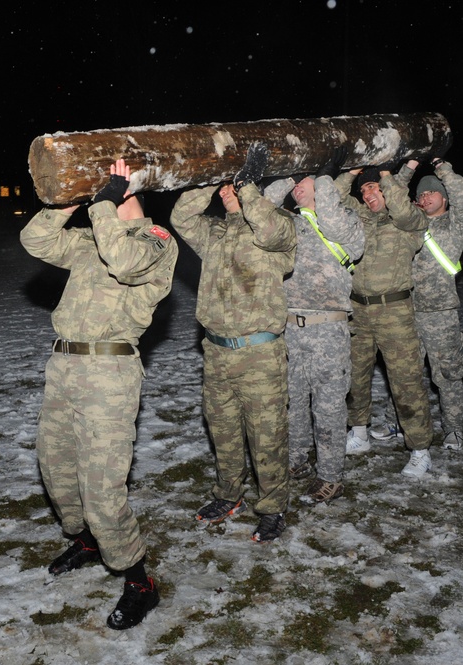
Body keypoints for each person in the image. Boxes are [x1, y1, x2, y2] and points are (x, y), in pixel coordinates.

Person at [20, 159, 178, 630]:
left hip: (109, 372)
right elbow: (35, 240)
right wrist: (67, 205)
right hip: (64, 366)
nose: (103, 200)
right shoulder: (94, 239)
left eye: (114, 192)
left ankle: (138, 580)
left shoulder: (157, 242)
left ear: (132, 197)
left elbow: (125, 263)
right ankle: (88, 540)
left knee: (102, 487)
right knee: (56, 465)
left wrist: (107, 203)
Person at [169, 143, 296, 543]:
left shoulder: (279, 227)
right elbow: (180, 216)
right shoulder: (215, 233)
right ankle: (228, 495)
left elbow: (271, 229)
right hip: (216, 351)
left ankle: (273, 506)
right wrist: (207, 181)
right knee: (222, 430)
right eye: (225, 187)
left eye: (232, 186)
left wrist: (249, 190)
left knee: (267, 436)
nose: (228, 190)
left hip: (260, 353)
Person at [261, 149, 365, 504]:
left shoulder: (347, 222)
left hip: (327, 330)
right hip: (290, 326)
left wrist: (322, 177)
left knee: (329, 405)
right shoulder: (291, 224)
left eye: (304, 182)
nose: (297, 189)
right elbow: (261, 209)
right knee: (293, 400)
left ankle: (331, 476)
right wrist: (290, 177)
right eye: (297, 184)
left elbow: (331, 217)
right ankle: (296, 458)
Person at [333, 162, 435, 477]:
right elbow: (332, 201)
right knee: (355, 376)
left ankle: (420, 449)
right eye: (364, 190)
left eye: (372, 187)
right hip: (358, 311)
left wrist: (388, 177)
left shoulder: (410, 219)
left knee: (406, 381)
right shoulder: (360, 217)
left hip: (396, 311)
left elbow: (402, 209)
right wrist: (351, 174)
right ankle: (359, 433)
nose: (368, 194)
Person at [372, 157, 463, 450]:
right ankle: (398, 423)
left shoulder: (456, 224)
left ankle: (454, 430)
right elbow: (389, 195)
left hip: (441, 315)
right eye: (421, 194)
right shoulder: (408, 224)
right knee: (405, 375)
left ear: (444, 197)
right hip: (404, 311)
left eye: (431, 192)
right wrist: (408, 169)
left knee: (448, 375)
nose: (425, 197)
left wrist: (442, 167)